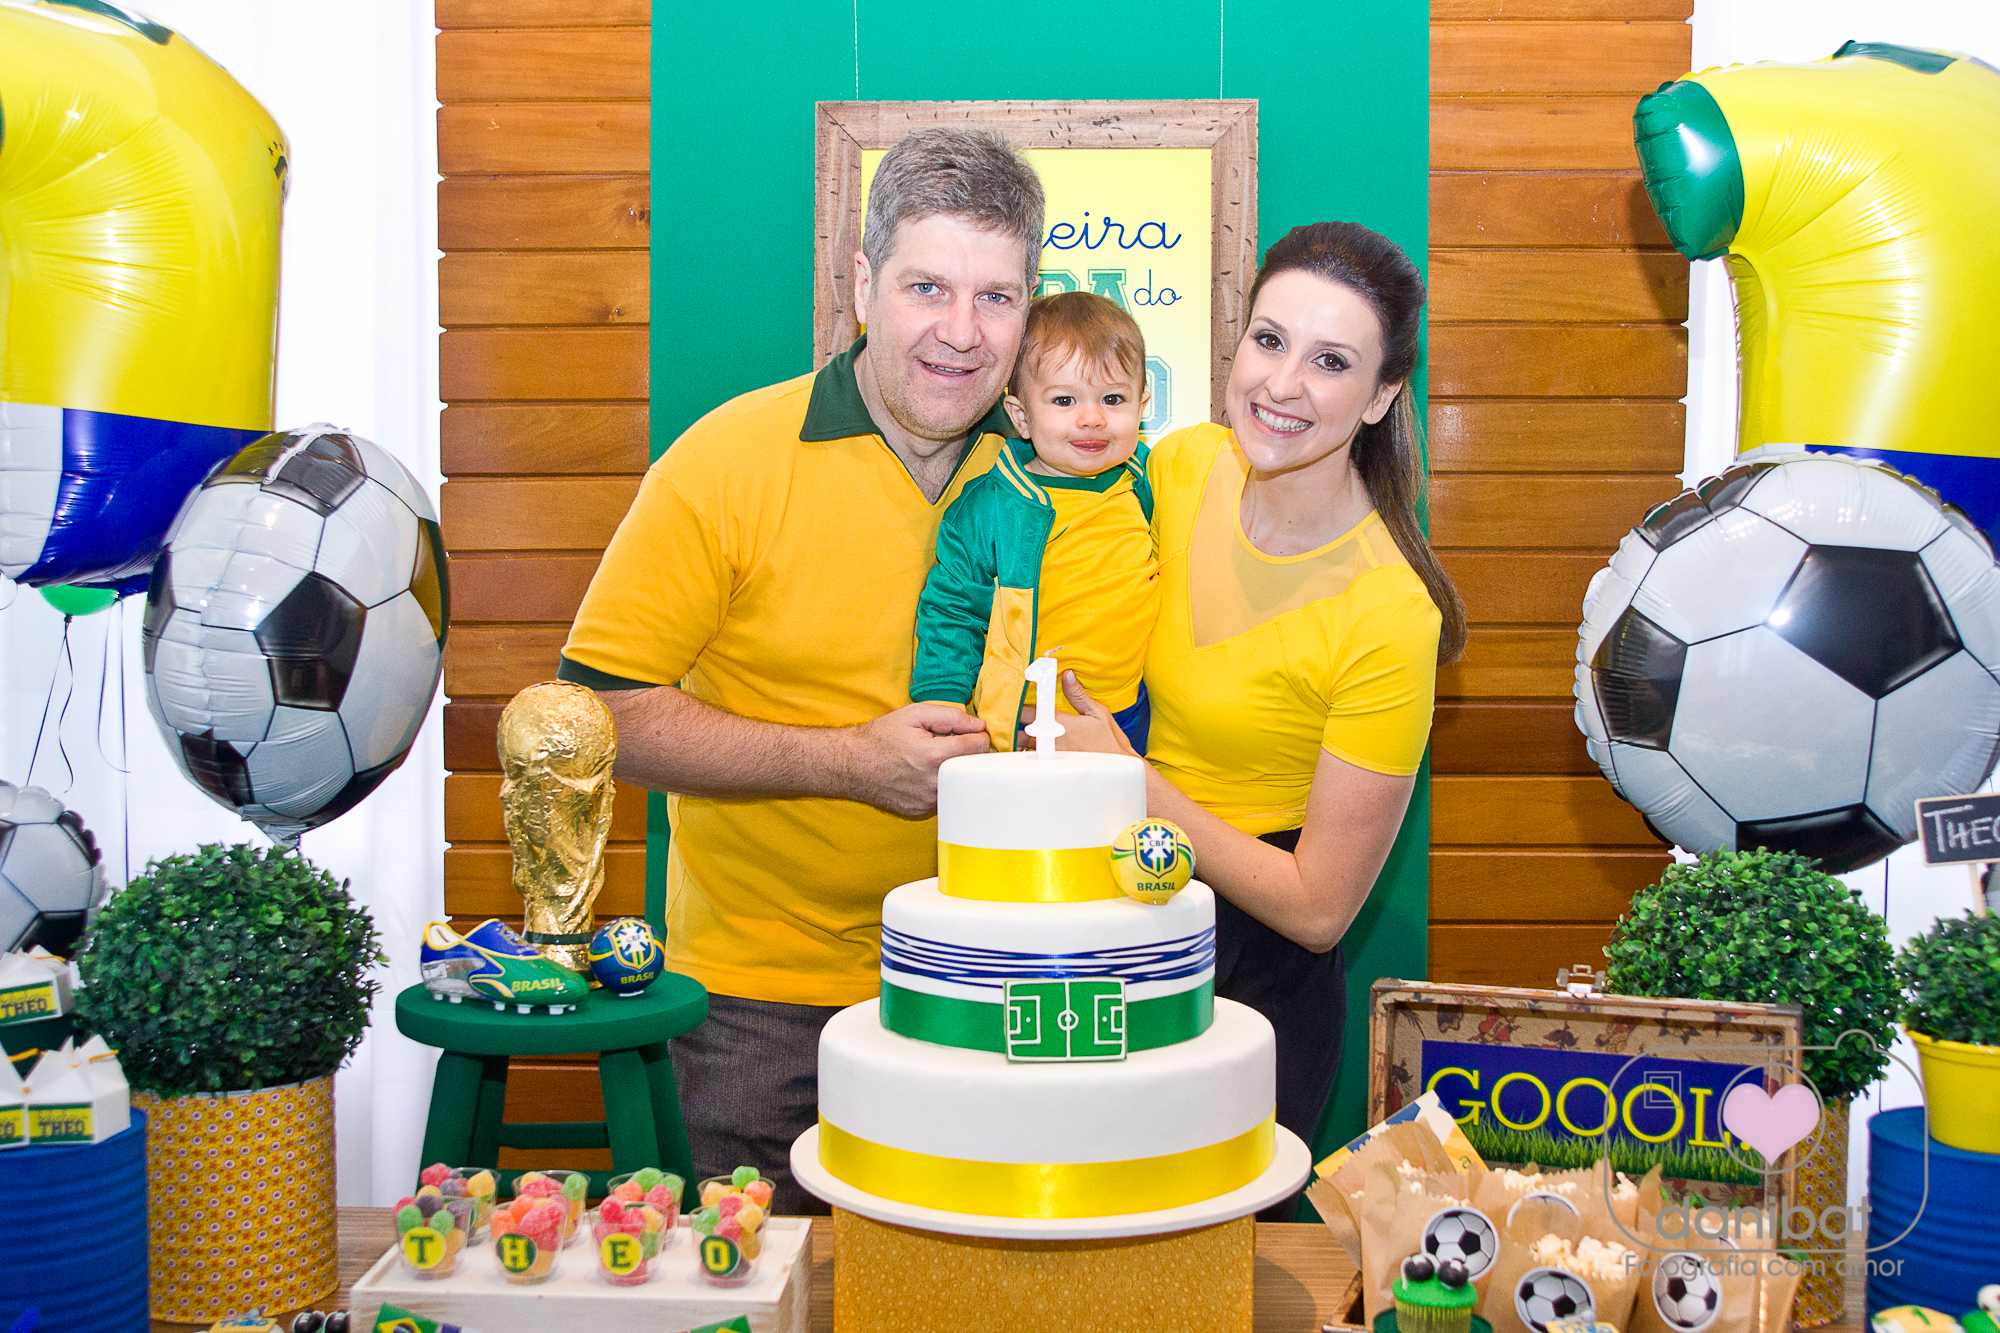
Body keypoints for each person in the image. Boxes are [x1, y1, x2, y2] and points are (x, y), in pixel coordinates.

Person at [555, 127, 1045, 1213]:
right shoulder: (726, 461)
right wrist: (847, 762)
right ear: (861, 285)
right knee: (755, 1285)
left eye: (996, 297)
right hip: (756, 1012)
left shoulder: (1059, 478)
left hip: (989, 991)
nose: (961, 332)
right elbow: (593, 717)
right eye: (927, 287)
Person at [1052, 221, 1468, 1177]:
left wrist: (1131, 784)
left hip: (1256, 979)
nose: (1282, 384)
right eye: (1269, 340)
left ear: (1383, 395)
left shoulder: (1389, 612)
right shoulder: (1181, 466)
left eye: (1331, 361)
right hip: (1117, 935)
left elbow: (1320, 908)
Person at [911, 291, 1159, 753]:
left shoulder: (1144, 479)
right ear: (1022, 417)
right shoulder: (994, 505)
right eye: (1064, 400)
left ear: (1141, 407)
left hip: (1131, 710)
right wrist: (942, 699)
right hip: (1031, 719)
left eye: (1113, 399)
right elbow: (954, 608)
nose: (1092, 419)